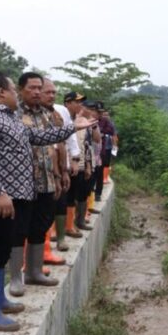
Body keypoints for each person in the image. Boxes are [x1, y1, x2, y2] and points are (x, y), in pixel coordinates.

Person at [0, 72, 95, 332]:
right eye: (13, 90)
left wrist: (74, 127)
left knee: (3, 249)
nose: (16, 94)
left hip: (15, 197)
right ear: (1, 92)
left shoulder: (9, 119)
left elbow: (38, 138)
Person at [8, 73, 65, 297]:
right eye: (32, 88)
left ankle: (35, 272)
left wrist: (59, 176)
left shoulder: (48, 115)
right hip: (21, 183)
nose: (37, 92)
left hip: (47, 181)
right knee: (18, 229)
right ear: (21, 90)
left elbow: (55, 146)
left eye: (39, 88)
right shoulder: (13, 114)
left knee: (40, 226)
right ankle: (15, 278)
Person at [41, 79, 80, 253]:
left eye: (53, 92)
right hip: (41, 167)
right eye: (46, 92)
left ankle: (61, 238)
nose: (51, 95)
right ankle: (45, 246)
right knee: (44, 207)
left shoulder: (59, 112)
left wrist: (74, 159)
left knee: (61, 200)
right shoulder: (28, 115)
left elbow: (68, 136)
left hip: (59, 163)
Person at [63, 92, 93, 233]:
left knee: (74, 196)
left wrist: (87, 165)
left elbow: (86, 145)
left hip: (78, 165)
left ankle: (70, 225)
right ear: (67, 103)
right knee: (63, 198)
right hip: (65, 165)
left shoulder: (81, 122)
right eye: (77, 102)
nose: (80, 105)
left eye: (81, 102)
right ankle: (62, 229)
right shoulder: (62, 119)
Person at [95, 102, 116, 201]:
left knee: (99, 173)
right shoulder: (89, 120)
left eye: (101, 112)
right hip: (90, 152)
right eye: (98, 112)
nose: (100, 114)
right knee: (91, 176)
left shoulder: (105, 121)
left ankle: (98, 194)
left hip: (101, 151)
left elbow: (112, 131)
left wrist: (101, 132)